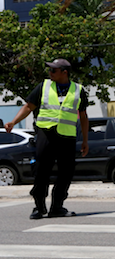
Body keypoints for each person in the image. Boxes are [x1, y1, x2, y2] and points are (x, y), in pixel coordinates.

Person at [5, 58, 89, 219]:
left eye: (53, 70)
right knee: (42, 171)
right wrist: (14, 122)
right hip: (46, 134)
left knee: (66, 173)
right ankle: (39, 207)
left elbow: (84, 117)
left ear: (64, 72)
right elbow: (28, 106)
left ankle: (57, 206)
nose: (50, 73)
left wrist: (85, 141)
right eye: (49, 70)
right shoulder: (43, 86)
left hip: (67, 137)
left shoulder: (78, 90)